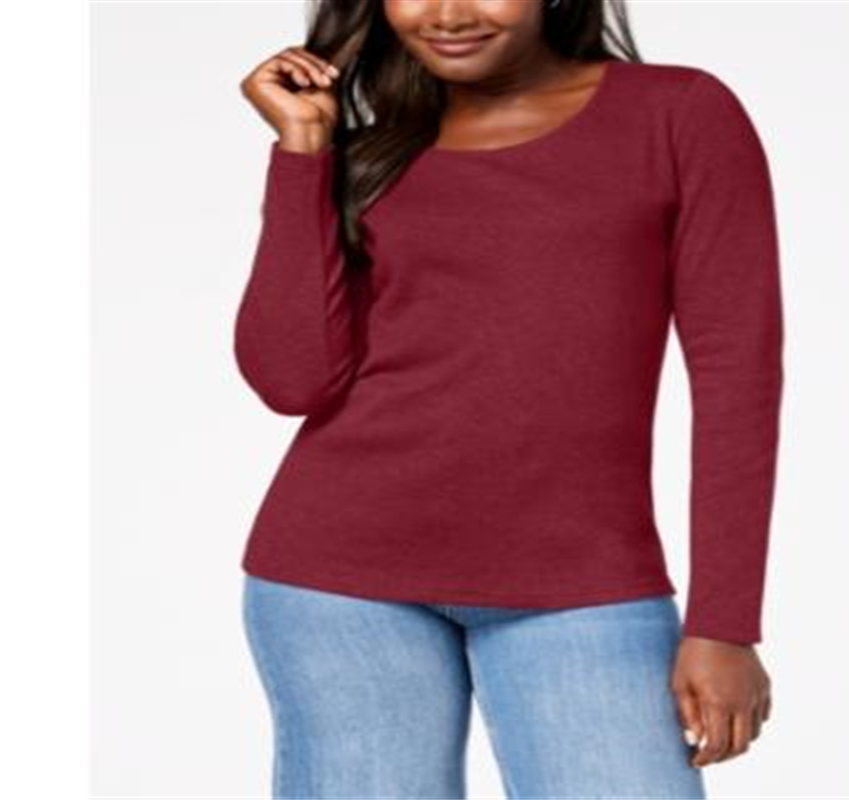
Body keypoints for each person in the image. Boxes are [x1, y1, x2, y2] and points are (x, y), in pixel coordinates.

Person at [234, 0, 783, 797]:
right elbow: (291, 381)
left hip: (585, 583)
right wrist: (302, 152)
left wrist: (723, 624)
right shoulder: (373, 147)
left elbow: (739, 376)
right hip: (339, 580)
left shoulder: (678, 114)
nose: (448, 14)